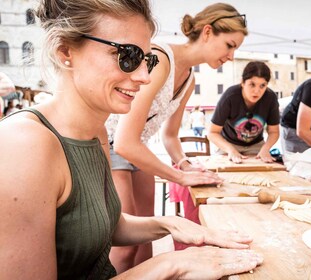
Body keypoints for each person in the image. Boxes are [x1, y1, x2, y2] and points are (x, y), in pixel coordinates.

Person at [0, 0, 263, 279]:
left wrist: (170, 223)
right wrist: (168, 264)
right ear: (65, 51)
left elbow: (106, 226)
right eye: (127, 55)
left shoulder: (97, 131)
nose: (144, 77)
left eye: (147, 60)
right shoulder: (23, 144)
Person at [108, 3, 248, 272]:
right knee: (124, 247)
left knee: (147, 238)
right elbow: (124, 141)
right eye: (230, 45)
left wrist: (185, 164)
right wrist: (180, 177)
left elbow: (170, 135)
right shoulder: (161, 59)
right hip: (111, 145)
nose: (231, 56)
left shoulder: (189, 79)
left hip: (137, 149)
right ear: (207, 32)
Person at [207, 61, 280, 163]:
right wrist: (230, 150)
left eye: (262, 86)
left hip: (256, 145)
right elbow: (212, 133)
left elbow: (274, 131)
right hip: (228, 144)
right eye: (252, 84)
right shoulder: (230, 96)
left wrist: (265, 149)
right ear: (242, 82)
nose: (256, 91)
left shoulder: (271, 98)